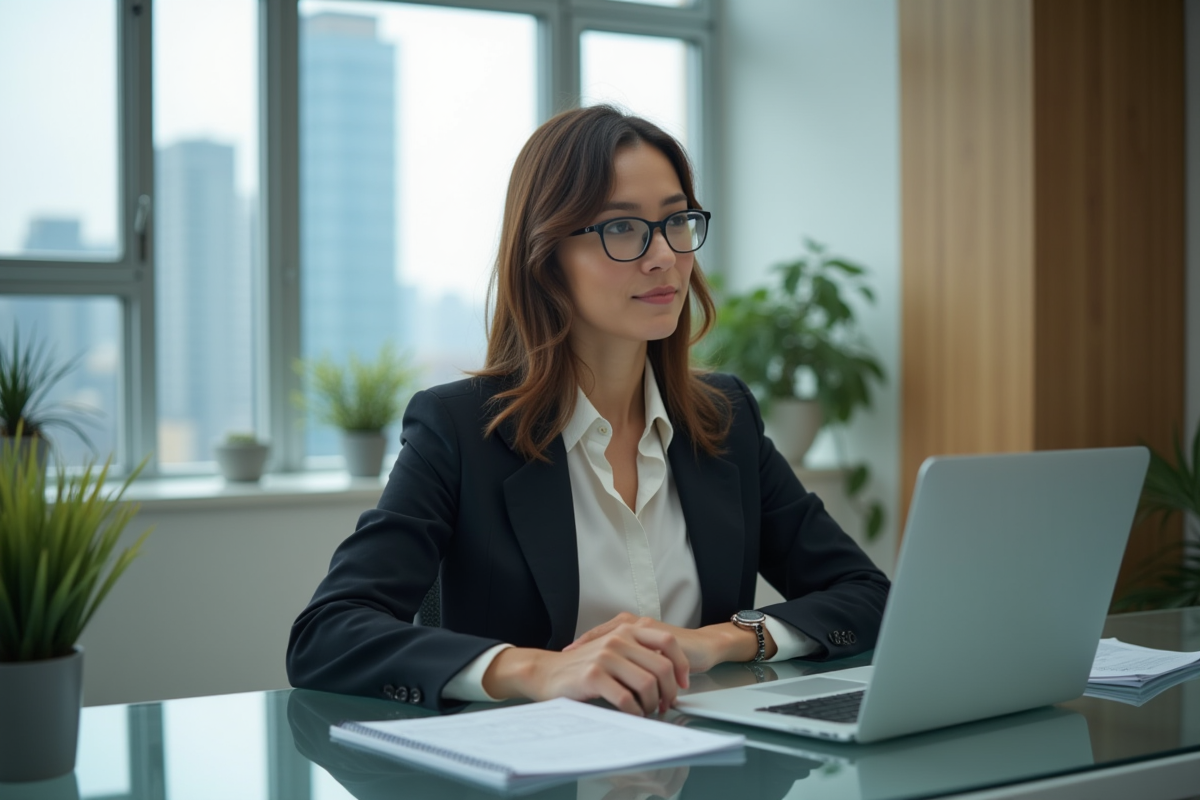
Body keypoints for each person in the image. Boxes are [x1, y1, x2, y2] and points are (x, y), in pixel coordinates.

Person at [286, 104, 890, 717]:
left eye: (676, 220)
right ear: (546, 256)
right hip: (529, 757)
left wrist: (718, 641)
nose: (663, 255)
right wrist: (538, 669)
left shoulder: (725, 418)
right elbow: (328, 635)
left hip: (703, 753)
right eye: (622, 228)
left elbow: (868, 594)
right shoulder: (461, 430)